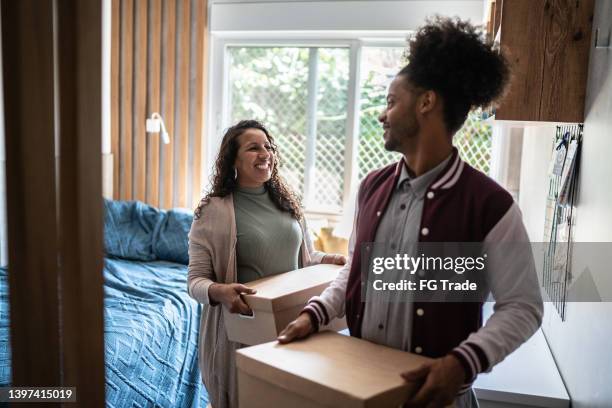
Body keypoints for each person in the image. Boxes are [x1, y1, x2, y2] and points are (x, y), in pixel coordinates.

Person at [278, 17, 543, 408]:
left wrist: (461, 362)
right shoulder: (371, 187)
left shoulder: (490, 205)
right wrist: (315, 314)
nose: (382, 114)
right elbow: (356, 269)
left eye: (390, 101)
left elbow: (523, 307)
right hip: (362, 389)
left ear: (426, 103)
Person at [187, 119, 346, 408]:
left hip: (292, 322)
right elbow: (195, 281)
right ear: (232, 159)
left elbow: (306, 258)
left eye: (268, 146)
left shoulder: (288, 202)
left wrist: (328, 259)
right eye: (253, 148)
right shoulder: (213, 211)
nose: (265, 154)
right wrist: (221, 291)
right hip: (243, 329)